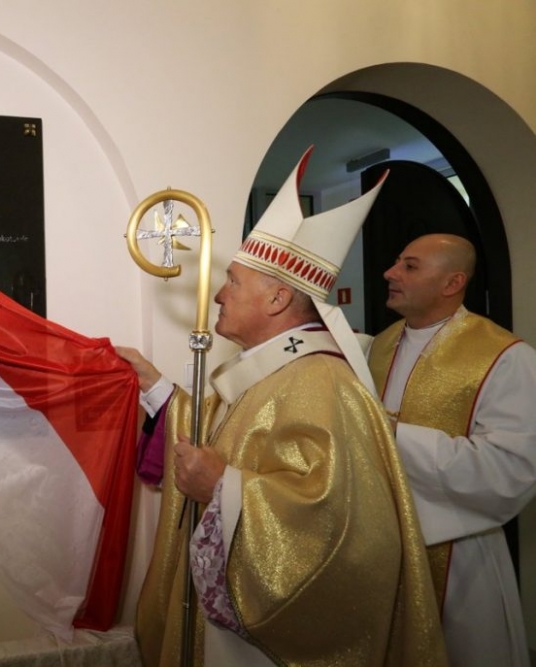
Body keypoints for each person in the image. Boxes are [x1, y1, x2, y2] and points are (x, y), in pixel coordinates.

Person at [118, 147, 446, 667]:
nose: (219, 296)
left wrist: (223, 487)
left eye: (233, 282)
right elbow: (217, 429)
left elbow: (342, 531)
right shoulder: (270, 370)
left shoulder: (324, 383)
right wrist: (153, 385)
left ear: (276, 300)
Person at [368, 233, 536, 667]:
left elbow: (508, 470)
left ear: (452, 283)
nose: (389, 273)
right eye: (397, 262)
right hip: (382, 546)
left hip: (462, 556)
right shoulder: (379, 346)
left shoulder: (506, 357)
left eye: (409, 266)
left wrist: (388, 434)